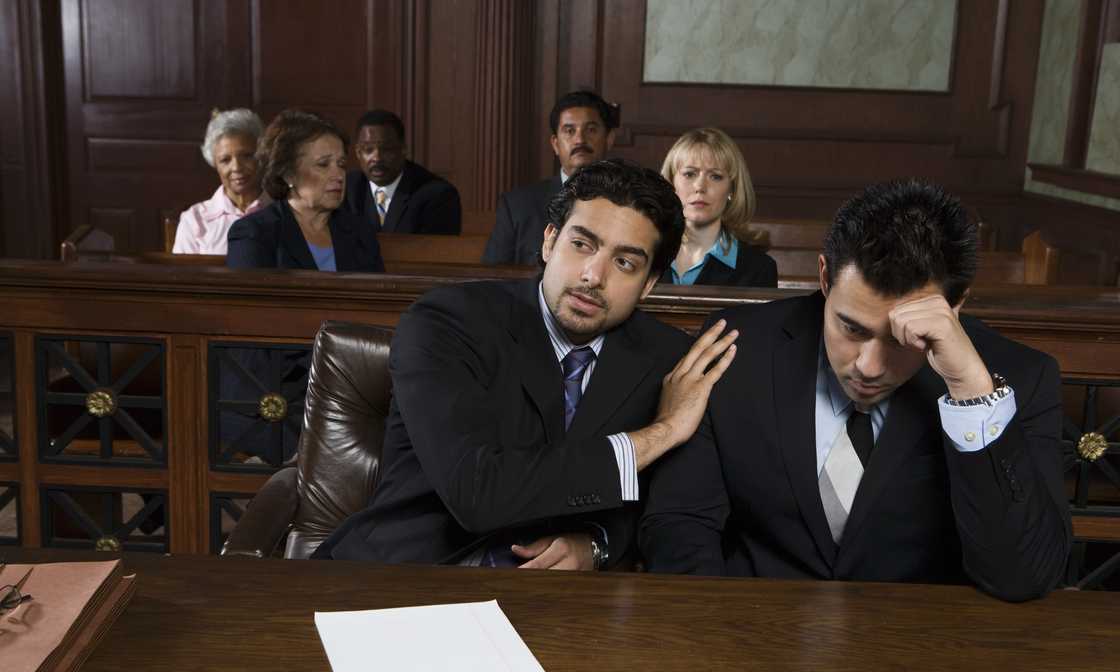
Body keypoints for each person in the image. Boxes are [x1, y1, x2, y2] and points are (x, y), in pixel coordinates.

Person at [640, 179, 1071, 601]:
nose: (868, 366)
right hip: (745, 635)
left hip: (924, 651)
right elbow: (680, 524)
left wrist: (970, 394)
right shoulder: (738, 347)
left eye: (903, 339)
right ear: (825, 277)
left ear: (954, 306)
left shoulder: (1017, 378)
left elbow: (1024, 576)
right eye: (850, 327)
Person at [315, 159, 738, 569]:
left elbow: (665, 507)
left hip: (560, 605)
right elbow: (478, 493)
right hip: (410, 575)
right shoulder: (447, 322)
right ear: (550, 241)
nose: (594, 274)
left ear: (648, 284)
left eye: (625, 262)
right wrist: (662, 433)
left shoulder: (666, 359)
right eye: (581, 244)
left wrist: (597, 544)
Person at [227, 110, 384, 272]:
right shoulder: (254, 233)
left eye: (341, 164)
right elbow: (251, 297)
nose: (339, 175)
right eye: (323, 164)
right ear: (288, 175)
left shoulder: (361, 233)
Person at [482, 90, 618, 266]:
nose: (579, 140)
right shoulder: (518, 205)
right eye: (569, 131)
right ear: (555, 143)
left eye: (591, 130)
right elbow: (492, 276)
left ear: (609, 138)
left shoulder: (630, 204)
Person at [659, 128, 776, 287]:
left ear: (732, 189)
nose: (700, 186)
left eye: (715, 176)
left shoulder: (759, 269)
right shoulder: (648, 252)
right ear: (671, 183)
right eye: (689, 174)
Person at [343, 109, 462, 235]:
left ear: (403, 150)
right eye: (368, 150)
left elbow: (437, 252)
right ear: (358, 153)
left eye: (387, 149)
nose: (376, 158)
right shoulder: (346, 188)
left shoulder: (437, 195)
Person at [173, 109, 269, 255]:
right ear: (214, 163)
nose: (236, 167)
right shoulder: (195, 220)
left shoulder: (287, 212)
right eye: (225, 160)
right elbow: (183, 277)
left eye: (247, 156)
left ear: (261, 155)